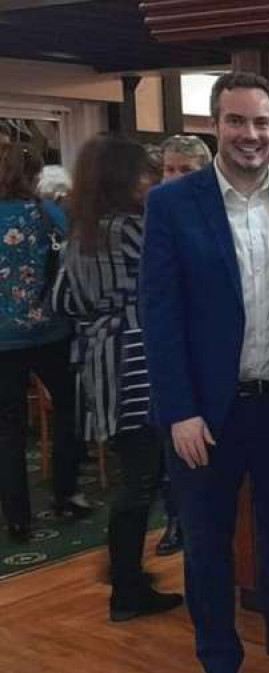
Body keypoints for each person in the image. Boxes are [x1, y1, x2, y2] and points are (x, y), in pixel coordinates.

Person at [140, 72, 269, 673]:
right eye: (236, 121)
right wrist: (178, 410)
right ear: (216, 125)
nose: (250, 134)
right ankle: (218, 654)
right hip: (205, 412)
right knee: (207, 541)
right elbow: (160, 313)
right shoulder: (172, 203)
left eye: (261, 123)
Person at [51, 135, 181, 620]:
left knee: (134, 476)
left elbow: (63, 300)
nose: (151, 182)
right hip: (137, 360)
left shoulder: (83, 231)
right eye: (145, 173)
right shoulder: (131, 230)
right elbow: (171, 284)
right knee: (143, 479)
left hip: (101, 362)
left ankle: (126, 579)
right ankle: (126, 585)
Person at [0, 141, 91, 544]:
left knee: (9, 430)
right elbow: (76, 264)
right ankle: (66, 494)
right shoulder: (51, 214)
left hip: (3, 340)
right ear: (37, 174)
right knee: (68, 413)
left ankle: (17, 516)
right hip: (52, 331)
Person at [153, 133, 213, 558]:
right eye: (168, 169)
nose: (174, 178)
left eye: (184, 170)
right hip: (178, 382)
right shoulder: (157, 211)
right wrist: (180, 409)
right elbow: (159, 314)